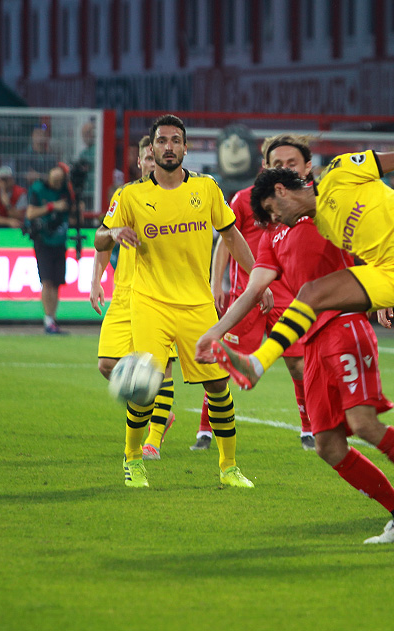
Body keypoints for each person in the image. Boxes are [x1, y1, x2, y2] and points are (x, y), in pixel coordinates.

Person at [206, 144, 394, 528]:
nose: (275, 219)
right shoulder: (318, 225)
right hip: (389, 274)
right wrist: (215, 332)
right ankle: (257, 363)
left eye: (272, 211)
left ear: (281, 190)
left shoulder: (341, 172)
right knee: (311, 294)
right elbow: (257, 285)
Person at [95, 114, 257, 489]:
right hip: (149, 304)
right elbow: (100, 238)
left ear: (186, 147)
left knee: (218, 387)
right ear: (151, 148)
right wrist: (114, 233)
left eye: (175, 140)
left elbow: (231, 236)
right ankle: (133, 460)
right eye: (162, 140)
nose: (168, 147)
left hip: (197, 305)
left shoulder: (207, 189)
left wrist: (257, 278)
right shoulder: (131, 195)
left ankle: (229, 467)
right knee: (146, 385)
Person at [202, 133, 317, 452]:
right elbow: (226, 241)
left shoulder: (320, 203)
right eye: (277, 163)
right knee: (222, 367)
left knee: (298, 366)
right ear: (265, 166)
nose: (284, 168)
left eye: (291, 162)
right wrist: (216, 284)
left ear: (307, 167)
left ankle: (309, 428)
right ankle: (205, 430)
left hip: (291, 299)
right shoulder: (245, 200)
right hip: (248, 296)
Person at [90, 136, 177, 460]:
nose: (153, 163)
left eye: (157, 158)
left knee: (162, 367)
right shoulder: (125, 196)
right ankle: (159, 410)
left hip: (160, 293)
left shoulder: (176, 196)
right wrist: (96, 280)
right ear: (139, 162)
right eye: (148, 159)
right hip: (125, 291)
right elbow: (104, 238)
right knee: (107, 365)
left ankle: (153, 439)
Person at [26, 164, 73, 335]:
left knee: (56, 282)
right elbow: (30, 214)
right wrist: (53, 206)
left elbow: (72, 211)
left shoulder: (67, 190)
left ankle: (52, 319)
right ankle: (48, 319)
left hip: (60, 241)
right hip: (43, 239)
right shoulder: (38, 189)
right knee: (47, 281)